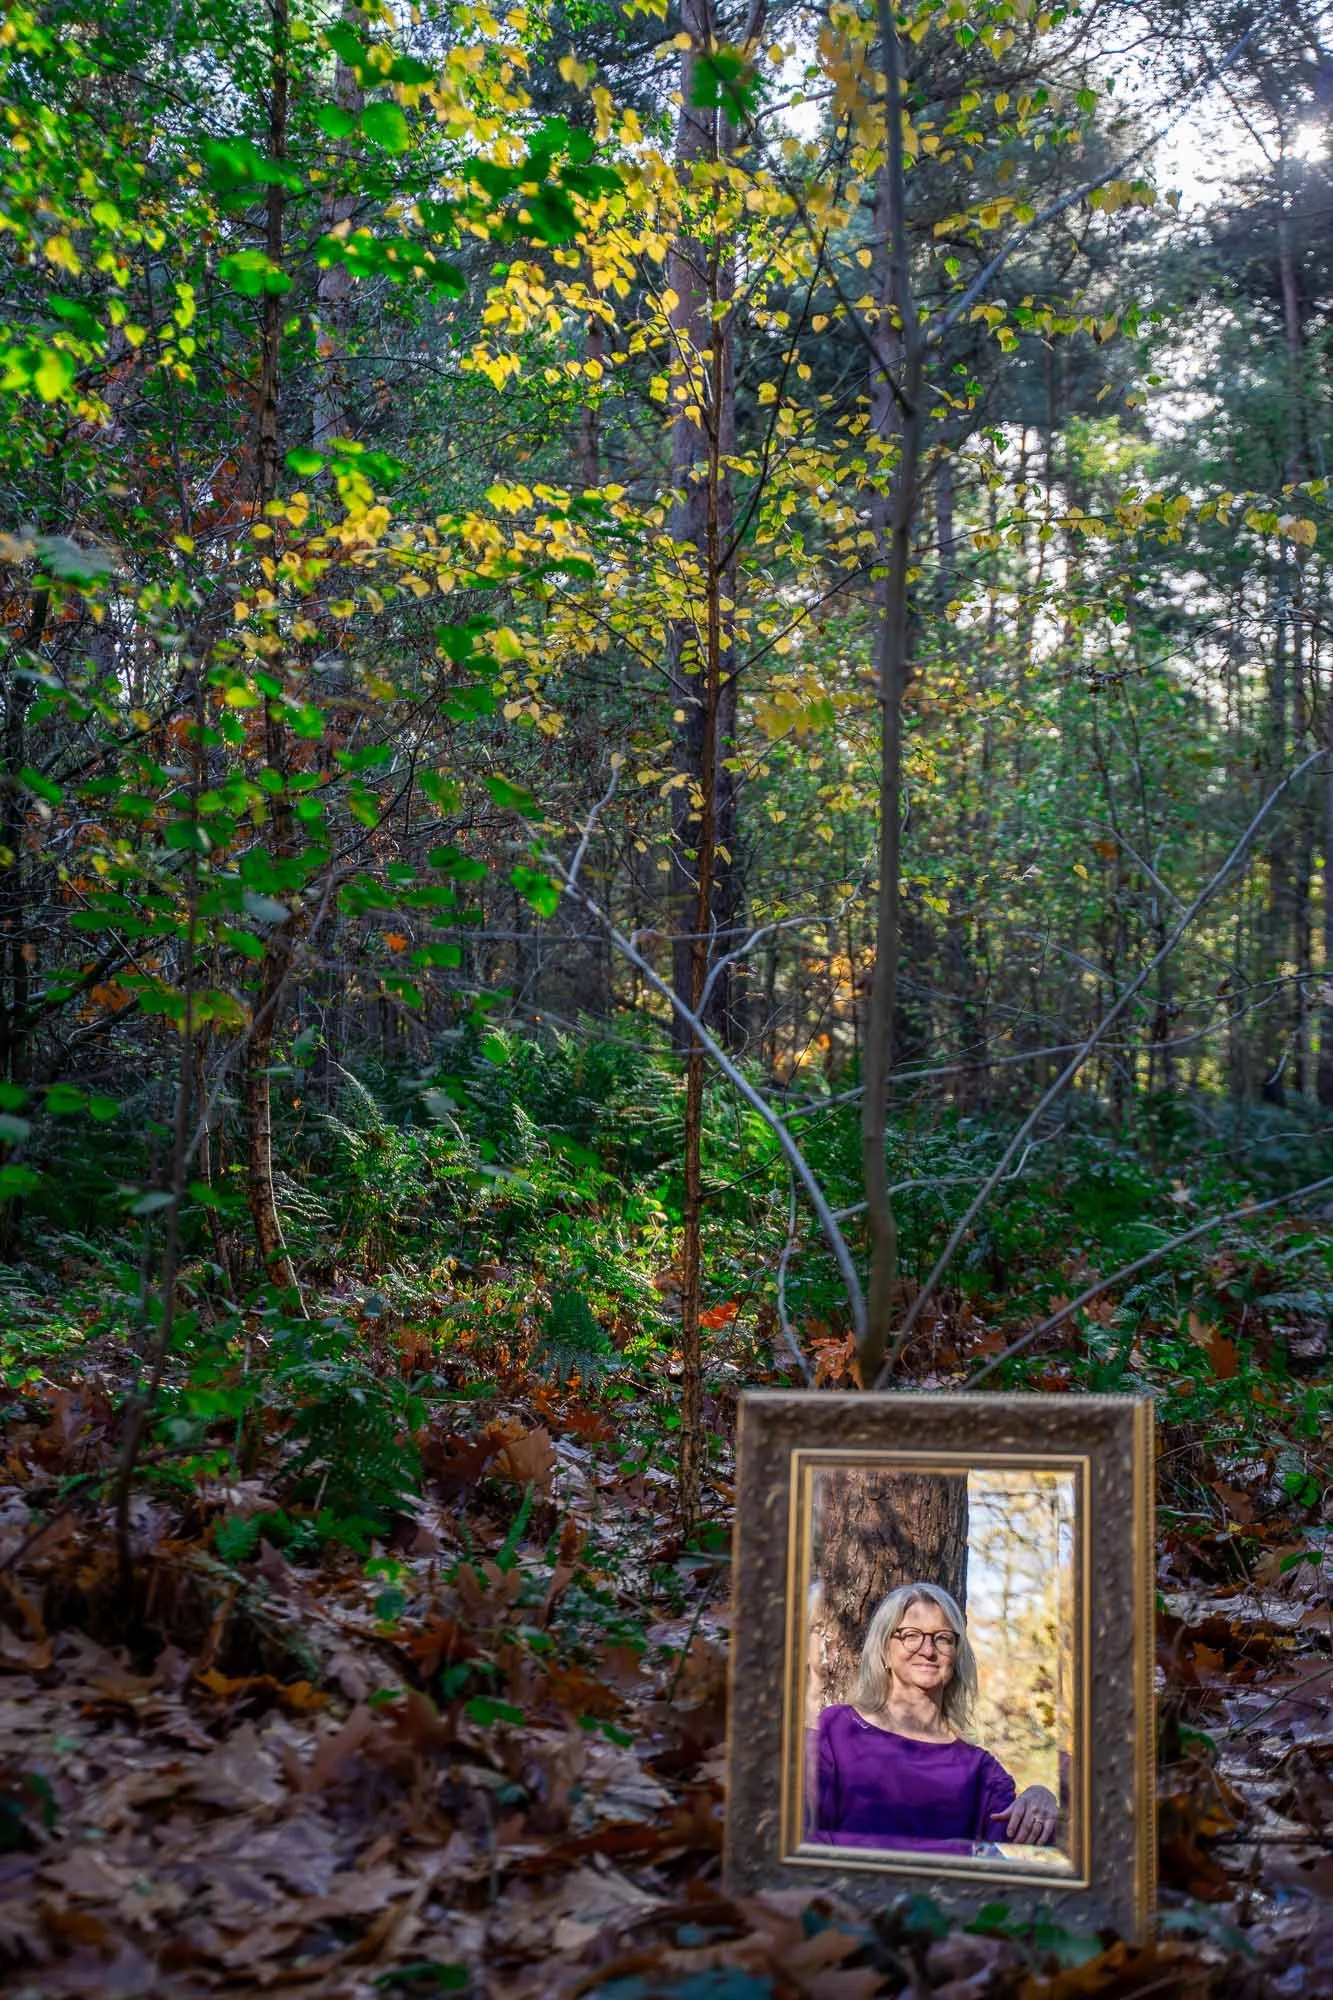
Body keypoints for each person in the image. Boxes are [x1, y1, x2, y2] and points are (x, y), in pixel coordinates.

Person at [807, 1580, 1060, 1852]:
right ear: (883, 1651)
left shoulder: (979, 1770)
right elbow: (806, 1838)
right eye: (910, 1635)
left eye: (942, 1638)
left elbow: (1017, 1854)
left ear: (956, 1656)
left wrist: (1041, 1800)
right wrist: (954, 1854)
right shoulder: (836, 1730)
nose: (928, 1651)